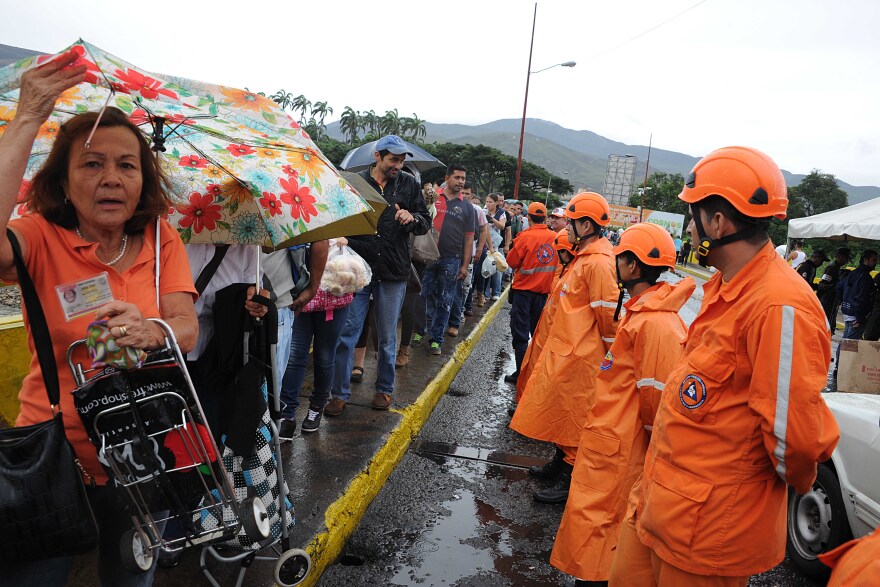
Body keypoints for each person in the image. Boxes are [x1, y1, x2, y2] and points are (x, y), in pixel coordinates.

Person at [0, 52, 198, 585]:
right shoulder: (40, 236)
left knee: (132, 577)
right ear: (64, 183)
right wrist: (28, 117)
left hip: (141, 448)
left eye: (126, 165)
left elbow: (186, 324)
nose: (111, 177)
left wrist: (152, 329)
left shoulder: (162, 238)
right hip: (50, 455)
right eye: (92, 164)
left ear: (141, 181)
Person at [610, 146, 840, 586]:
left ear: (717, 223)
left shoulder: (779, 305)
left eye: (692, 217)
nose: (689, 231)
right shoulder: (725, 285)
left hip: (707, 533)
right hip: (658, 506)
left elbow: (796, 440)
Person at [551, 223, 694, 586]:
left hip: (621, 446)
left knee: (604, 525)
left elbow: (657, 402)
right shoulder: (644, 314)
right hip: (611, 439)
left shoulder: (657, 325)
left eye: (620, 258)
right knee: (594, 523)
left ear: (631, 266)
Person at [510, 192, 619, 505]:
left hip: (582, 358)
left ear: (585, 225)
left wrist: (611, 362)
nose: (565, 228)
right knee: (562, 413)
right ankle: (559, 464)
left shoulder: (597, 264)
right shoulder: (585, 259)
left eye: (571, 223)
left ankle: (570, 478)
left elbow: (608, 319)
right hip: (566, 352)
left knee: (575, 417)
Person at [327, 135, 430, 414]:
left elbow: (424, 222)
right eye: (393, 159)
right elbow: (341, 215)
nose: (398, 165)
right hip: (359, 267)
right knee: (347, 332)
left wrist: (412, 219)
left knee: (386, 336)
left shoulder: (409, 184)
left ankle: (384, 389)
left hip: (394, 270)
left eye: (401, 160)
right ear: (378, 157)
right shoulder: (357, 182)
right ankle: (339, 393)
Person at [276, 240, 343, 438]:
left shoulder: (348, 214)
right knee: (295, 355)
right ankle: (287, 415)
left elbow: (371, 249)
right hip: (299, 295)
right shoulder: (298, 212)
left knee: (323, 356)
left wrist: (345, 242)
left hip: (333, 296)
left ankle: (316, 407)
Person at [421, 164, 475, 355]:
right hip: (426, 256)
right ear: (447, 178)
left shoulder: (467, 207)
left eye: (463, 178)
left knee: (445, 300)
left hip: (451, 259)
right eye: (457, 177)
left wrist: (465, 265)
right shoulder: (432, 197)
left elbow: (469, 238)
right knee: (423, 295)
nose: (461, 181)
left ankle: (436, 339)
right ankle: (420, 330)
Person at [503, 202, 558, 384]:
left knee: (520, 336)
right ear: (545, 217)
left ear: (528, 217)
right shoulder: (555, 238)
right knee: (538, 336)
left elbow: (511, 262)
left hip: (523, 294)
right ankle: (536, 375)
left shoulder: (524, 237)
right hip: (543, 295)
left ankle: (521, 374)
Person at [447, 181, 487, 336]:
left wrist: (479, 250)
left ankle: (456, 319)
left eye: (467, 193)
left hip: (466, 256)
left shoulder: (476, 210)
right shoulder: (449, 205)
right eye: (462, 193)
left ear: (472, 195)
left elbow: (484, 231)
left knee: (462, 288)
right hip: (449, 254)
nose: (463, 195)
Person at [834, 249, 879, 381]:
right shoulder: (865, 278)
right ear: (865, 260)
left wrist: (844, 302)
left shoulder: (852, 273)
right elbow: (861, 299)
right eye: (873, 260)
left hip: (849, 312)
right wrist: (860, 318)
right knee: (849, 343)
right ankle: (843, 370)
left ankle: (839, 367)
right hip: (855, 316)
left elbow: (839, 286)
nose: (875, 263)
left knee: (845, 341)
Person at [817, 247, 851, 334]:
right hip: (826, 300)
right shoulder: (831, 268)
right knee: (824, 323)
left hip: (831, 301)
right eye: (846, 258)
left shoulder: (837, 268)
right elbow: (823, 285)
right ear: (840, 256)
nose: (846, 261)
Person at [483, 193, 507, 301]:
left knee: (496, 269)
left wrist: (492, 220)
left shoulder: (501, 213)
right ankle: (486, 292)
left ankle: (496, 291)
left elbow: (502, 226)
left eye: (490, 202)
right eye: (487, 202)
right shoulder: (483, 211)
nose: (488, 204)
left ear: (496, 203)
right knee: (486, 268)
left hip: (495, 245)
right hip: (484, 244)